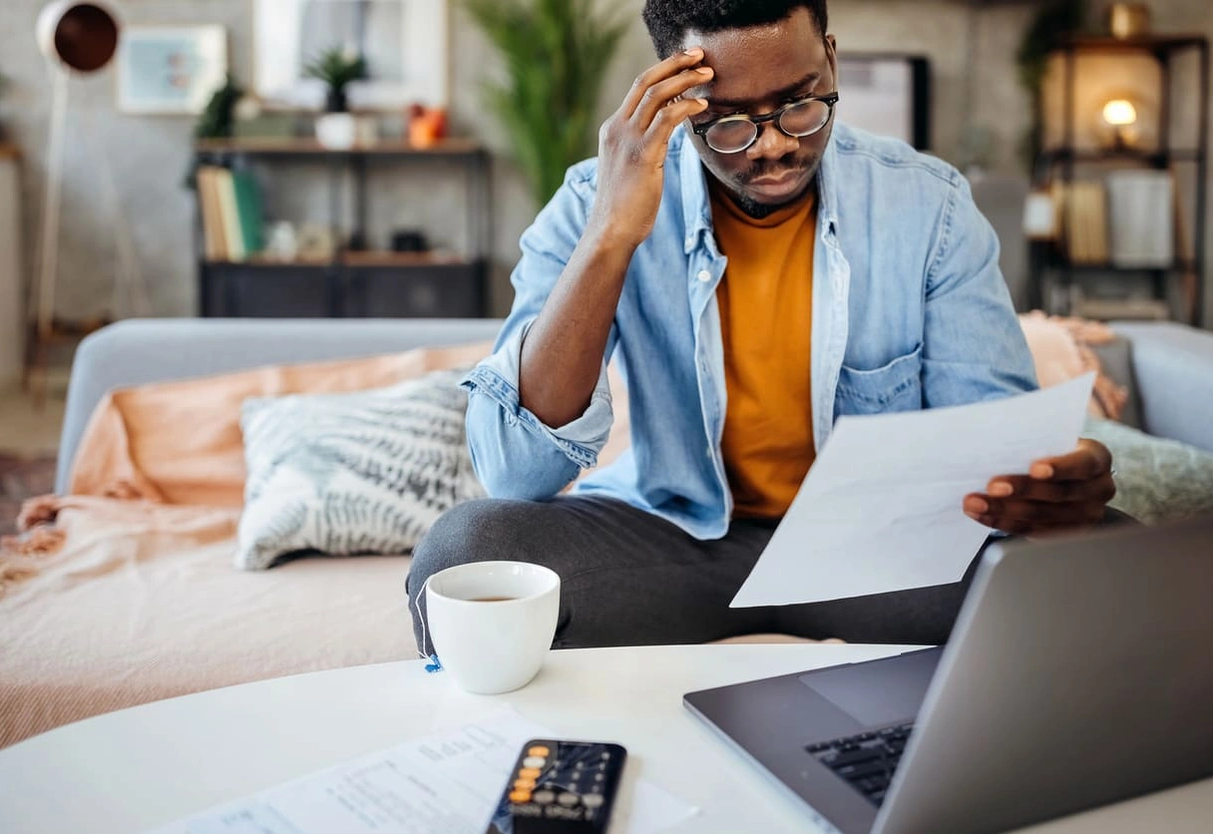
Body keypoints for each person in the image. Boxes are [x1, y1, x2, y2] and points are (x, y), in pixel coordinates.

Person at [407, 0, 1117, 652]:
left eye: (801, 104)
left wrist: (1045, 483)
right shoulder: (595, 204)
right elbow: (513, 472)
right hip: (681, 548)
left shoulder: (928, 205)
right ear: (674, 99)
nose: (774, 146)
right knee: (469, 552)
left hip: (875, 554)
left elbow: (986, 437)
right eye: (729, 121)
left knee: (1112, 558)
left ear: (831, 61)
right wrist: (610, 238)